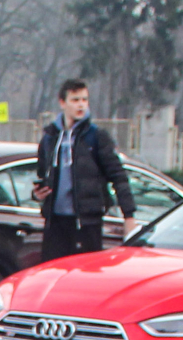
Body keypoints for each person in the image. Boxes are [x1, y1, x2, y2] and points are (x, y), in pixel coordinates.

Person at [32, 79, 133, 259]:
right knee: (53, 276)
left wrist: (129, 216)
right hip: (55, 223)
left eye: (84, 100)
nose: (81, 105)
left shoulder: (96, 137)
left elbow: (118, 176)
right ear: (62, 102)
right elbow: (42, 175)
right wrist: (38, 194)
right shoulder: (49, 138)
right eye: (75, 100)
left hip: (86, 223)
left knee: (84, 278)